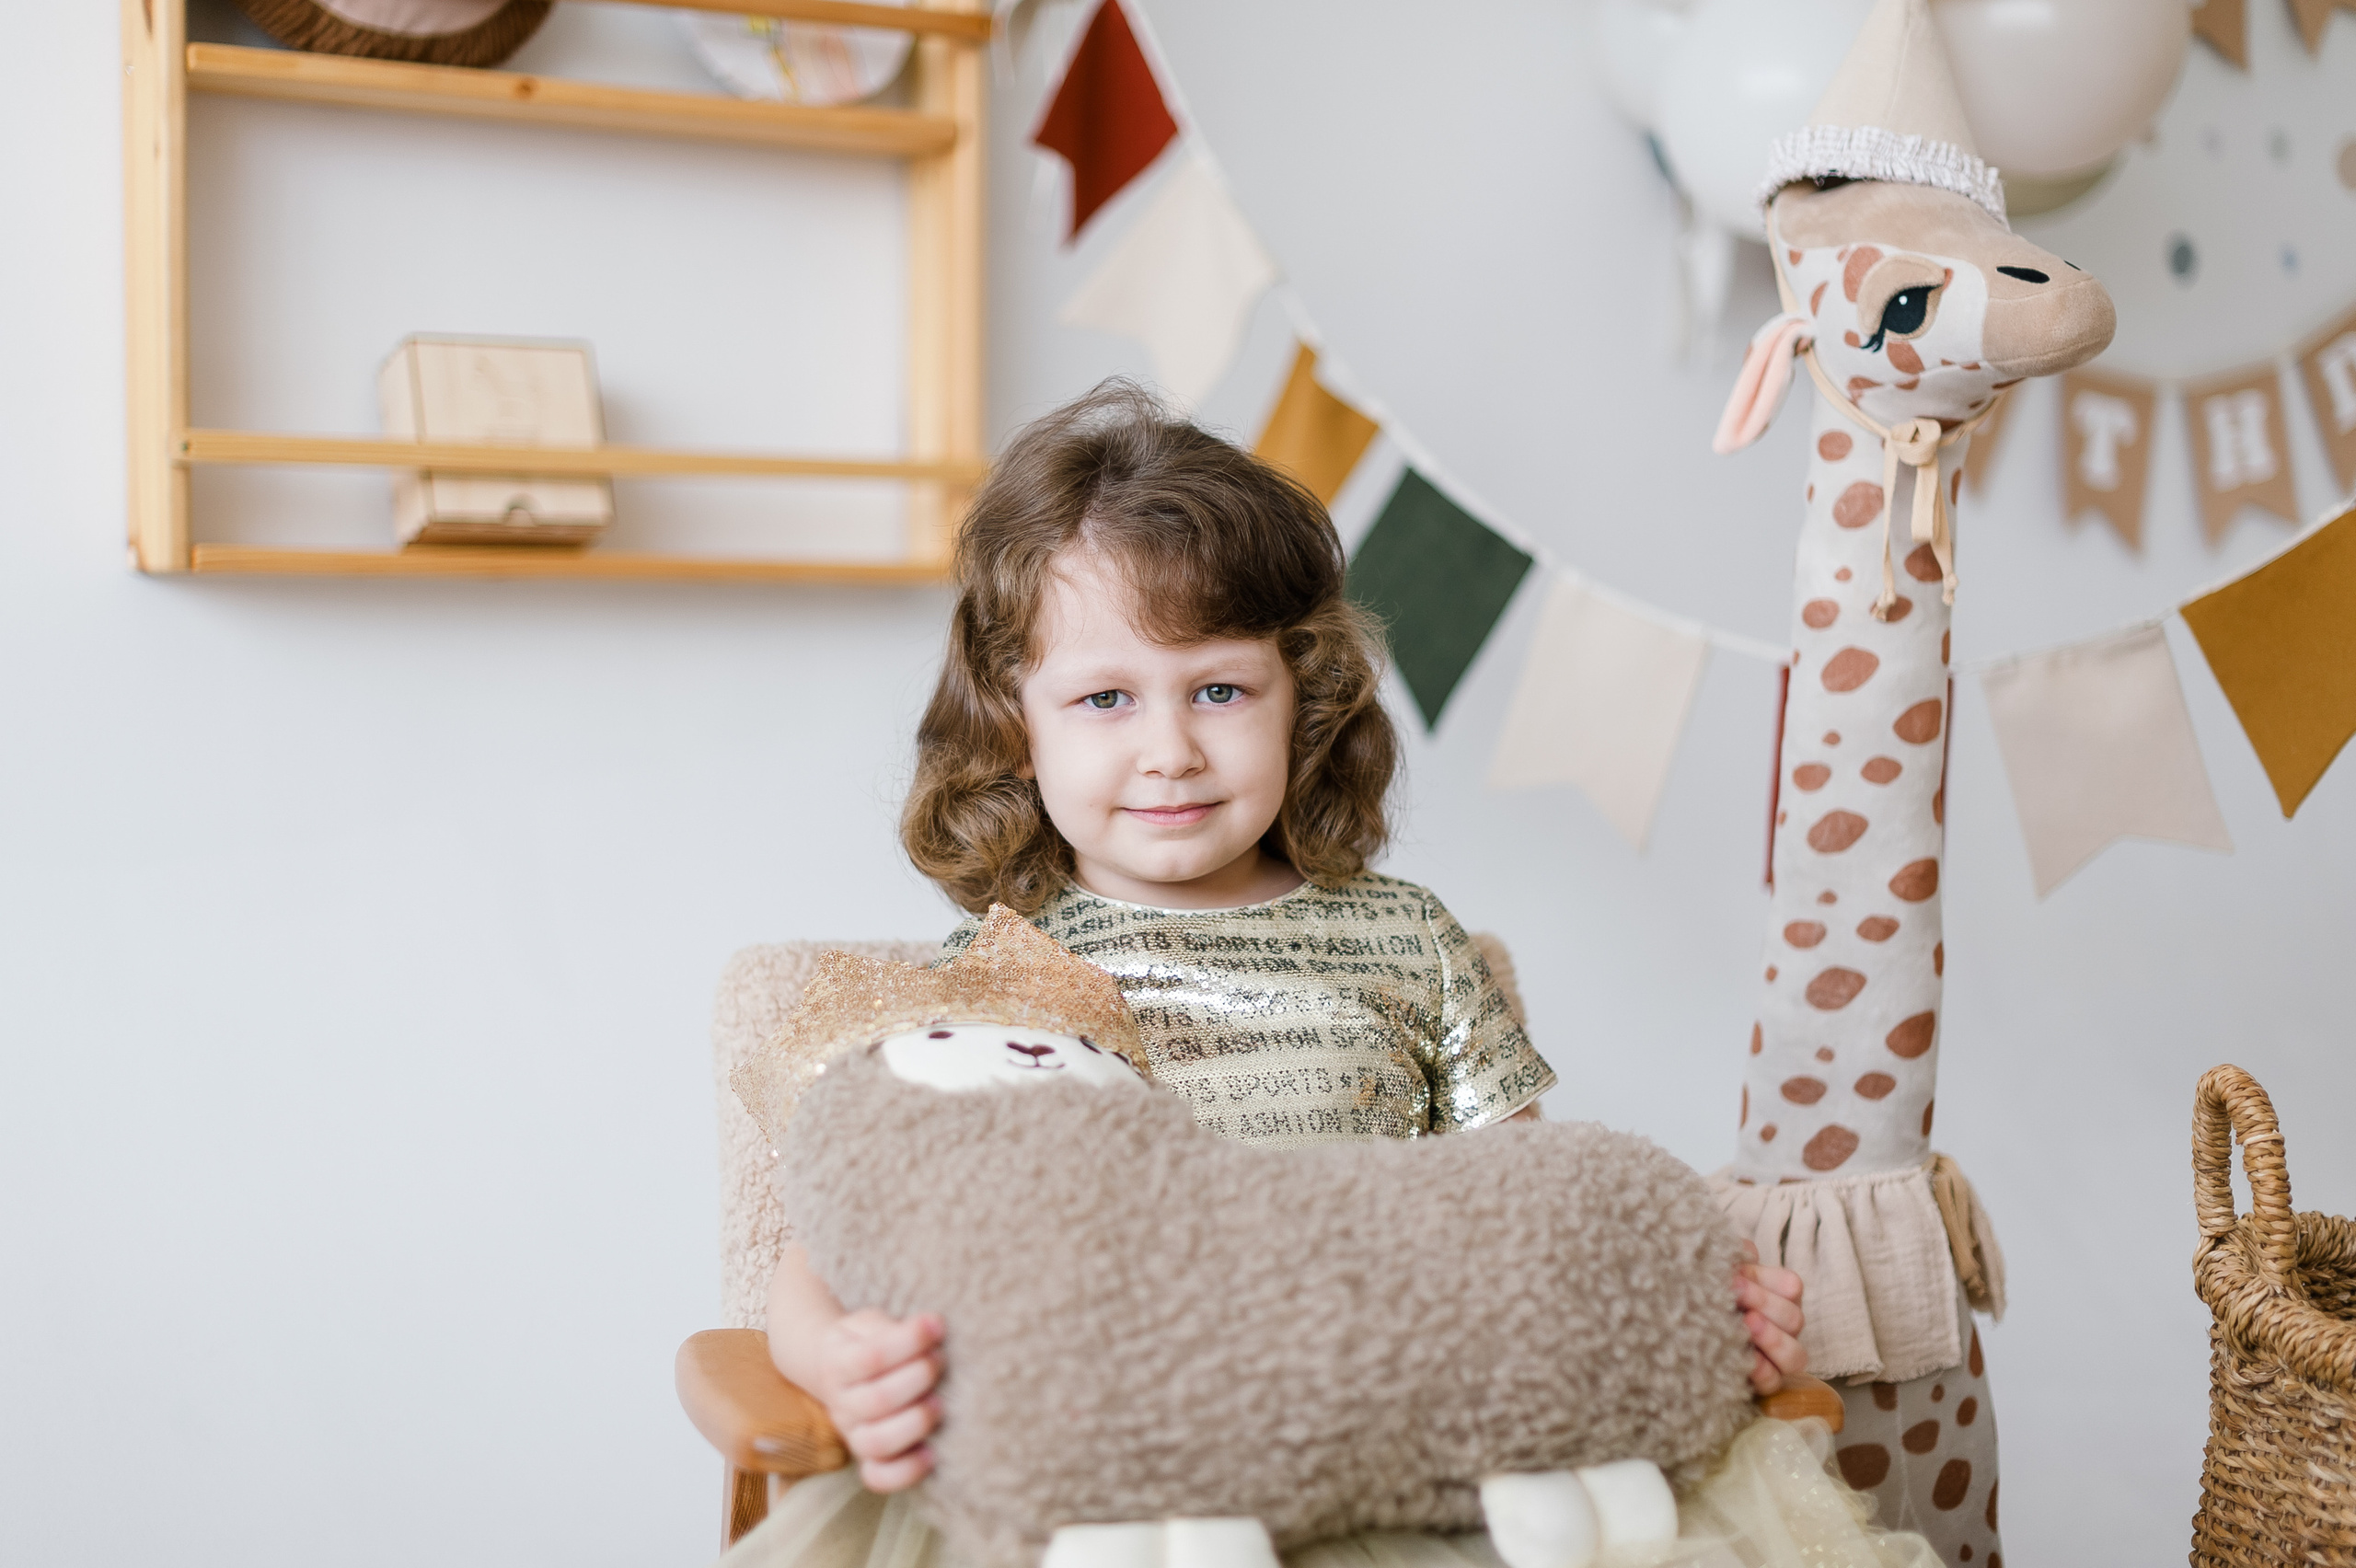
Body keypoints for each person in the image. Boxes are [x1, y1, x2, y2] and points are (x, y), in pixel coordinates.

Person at [727, 383, 1836, 1568]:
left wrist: (1688, 1306)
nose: (1171, 749)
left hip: (1399, 1453)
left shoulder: (1409, 941)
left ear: (1301, 691)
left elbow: (1527, 1207)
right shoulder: (997, 979)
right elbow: (831, 1244)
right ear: (1016, 721)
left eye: (1219, 689)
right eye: (1105, 698)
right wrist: (838, 1359)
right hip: (1122, 1470)